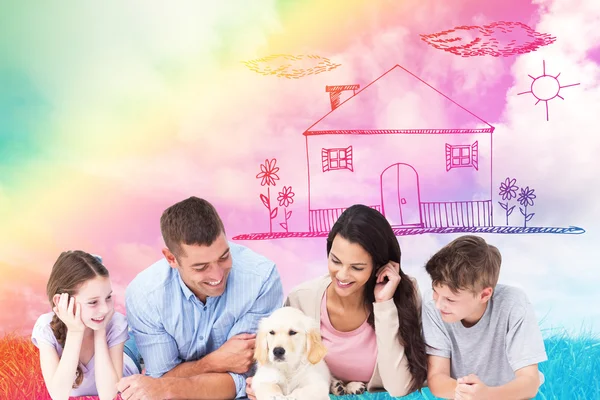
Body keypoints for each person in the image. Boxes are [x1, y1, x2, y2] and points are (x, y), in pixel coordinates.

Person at [247, 204, 428, 399]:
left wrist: (384, 305)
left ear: (379, 266)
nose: (342, 275)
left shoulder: (404, 295)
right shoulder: (301, 299)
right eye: (335, 260)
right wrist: (264, 388)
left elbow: (399, 388)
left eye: (357, 267)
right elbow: (280, 370)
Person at [117, 196, 284, 399]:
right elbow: (160, 380)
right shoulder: (145, 295)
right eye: (201, 267)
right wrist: (213, 362)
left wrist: (170, 384)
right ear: (171, 259)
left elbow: (241, 371)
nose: (217, 275)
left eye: (223, 257)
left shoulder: (261, 279)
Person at [422, 235, 548, 400]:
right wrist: (469, 393)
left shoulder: (513, 304)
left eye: (450, 299)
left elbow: (530, 382)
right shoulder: (433, 305)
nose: (439, 304)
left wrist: (486, 395)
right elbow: (437, 378)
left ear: (484, 295)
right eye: (435, 291)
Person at [31, 251, 141, 400]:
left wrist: (100, 331)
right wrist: (75, 332)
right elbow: (58, 395)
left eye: (108, 297)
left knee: (139, 339)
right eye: (93, 302)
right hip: (111, 336)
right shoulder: (46, 327)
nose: (105, 309)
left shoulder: (114, 322)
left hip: (127, 357)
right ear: (61, 301)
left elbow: (108, 395)